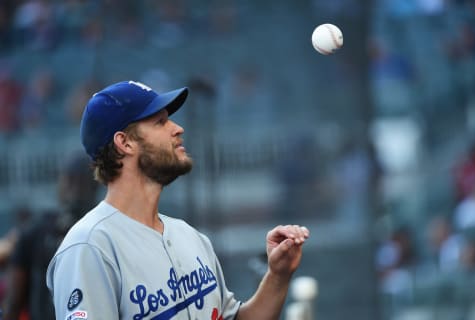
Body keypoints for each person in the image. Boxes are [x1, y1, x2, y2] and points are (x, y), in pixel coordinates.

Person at [46, 80, 310, 320]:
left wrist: (278, 275)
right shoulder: (90, 246)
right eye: (160, 122)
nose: (178, 128)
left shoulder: (190, 237)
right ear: (124, 143)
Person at [2, 152, 98, 320]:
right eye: (70, 180)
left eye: (81, 182)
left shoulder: (107, 231)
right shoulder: (34, 231)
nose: (74, 190)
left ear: (94, 186)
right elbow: (13, 304)